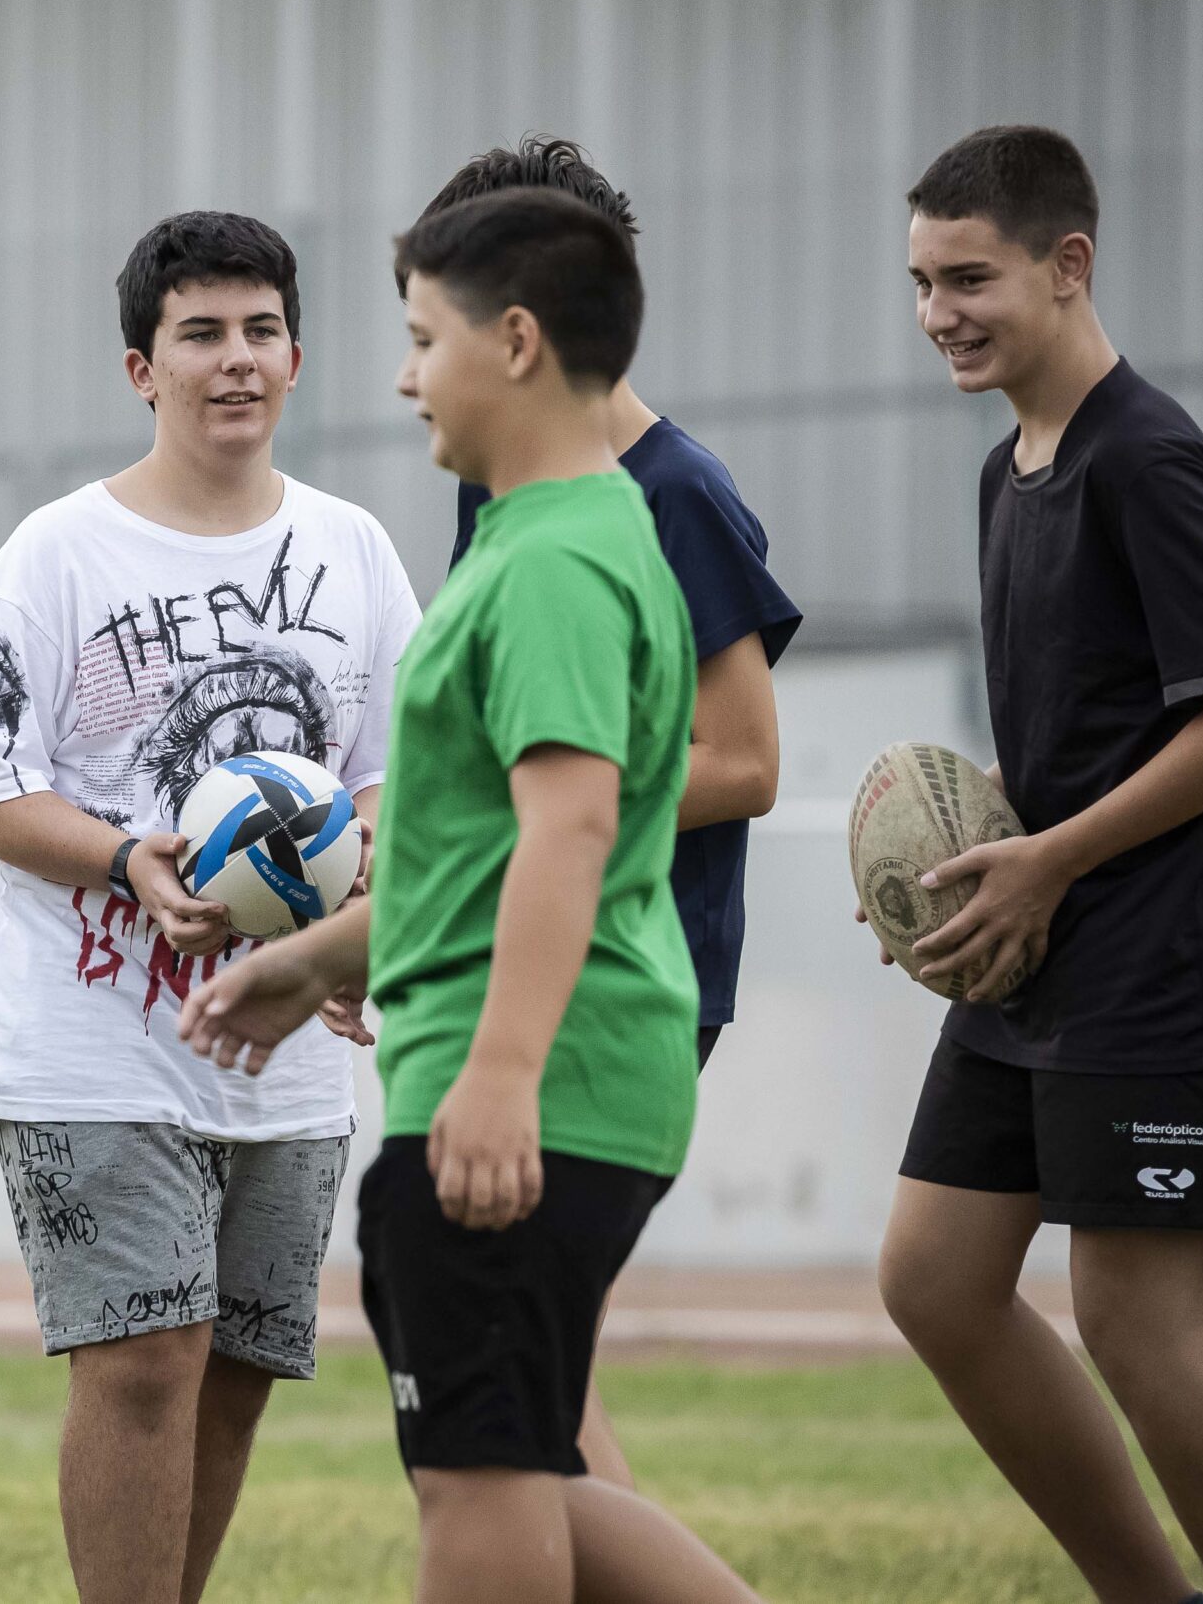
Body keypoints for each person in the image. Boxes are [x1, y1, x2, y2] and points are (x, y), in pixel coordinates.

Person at [180, 187, 762, 1603]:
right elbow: (484, 856)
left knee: (479, 1481)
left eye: (420, 336)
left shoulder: (558, 555)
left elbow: (566, 830)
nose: (400, 373)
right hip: (554, 1072)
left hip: (530, 1085)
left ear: (512, 342)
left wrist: (497, 1077)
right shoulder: (564, 528)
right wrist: (312, 957)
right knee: (521, 1463)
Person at [0, 211, 419, 1604]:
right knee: (145, 1360)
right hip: (90, 1035)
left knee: (240, 1372)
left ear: (300, 353)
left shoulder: (356, 552)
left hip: (290, 1047)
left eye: (260, 330)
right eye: (200, 334)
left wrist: (343, 897)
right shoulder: (55, 555)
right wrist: (127, 856)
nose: (235, 360)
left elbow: (402, 782)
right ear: (141, 368)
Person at [879, 124, 1203, 1604]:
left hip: (1173, 956)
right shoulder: (1012, 467)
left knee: (1137, 1318)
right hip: (1042, 939)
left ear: (1069, 266)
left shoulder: (1149, 454)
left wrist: (1050, 856)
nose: (941, 309)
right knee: (934, 1277)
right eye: (924, 280)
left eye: (971, 276)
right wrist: (981, 848)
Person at [423, 134, 799, 1488]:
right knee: (532, 1391)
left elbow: (745, 761)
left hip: (625, 965)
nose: (417, 364)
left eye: (439, 319)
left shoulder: (678, 491)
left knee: (521, 1393)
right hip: (517, 949)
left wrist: (540, 810)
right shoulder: (498, 479)